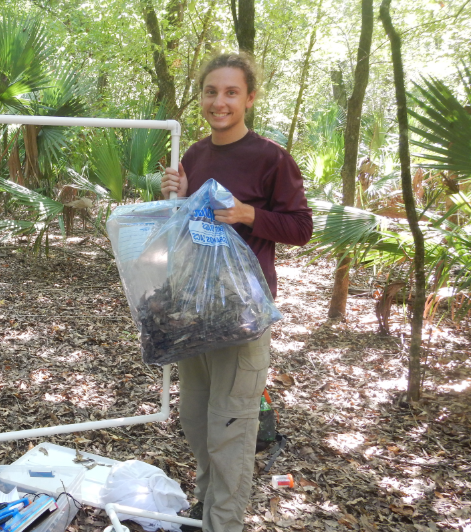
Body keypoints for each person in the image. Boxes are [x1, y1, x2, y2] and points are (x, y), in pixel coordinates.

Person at [161, 53, 312, 532]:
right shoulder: (195, 155)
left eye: (230, 92)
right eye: (211, 92)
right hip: (194, 307)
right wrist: (180, 197)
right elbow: (187, 227)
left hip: (243, 311)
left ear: (249, 97)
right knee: (197, 418)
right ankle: (206, 508)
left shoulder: (271, 157)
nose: (219, 102)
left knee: (231, 425)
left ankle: (223, 524)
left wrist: (250, 215)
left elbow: (302, 228)